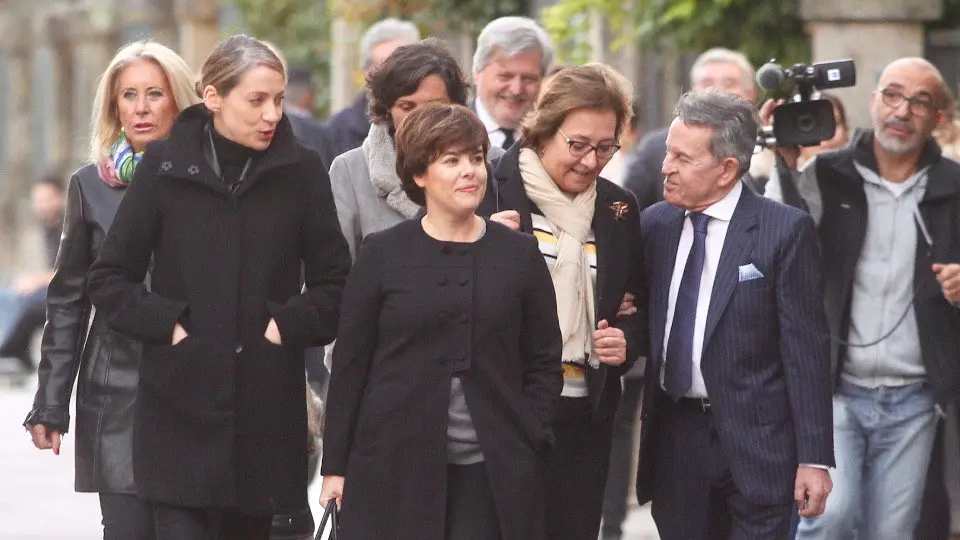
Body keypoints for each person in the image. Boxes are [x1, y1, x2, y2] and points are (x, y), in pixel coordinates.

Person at [86, 35, 351, 540]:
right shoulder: (163, 167)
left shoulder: (301, 171)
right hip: (178, 412)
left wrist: (284, 326)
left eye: (278, 99)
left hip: (265, 416)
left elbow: (335, 283)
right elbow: (110, 278)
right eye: (257, 100)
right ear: (213, 98)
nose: (272, 113)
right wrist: (169, 325)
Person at [319, 103, 563, 539]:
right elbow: (351, 365)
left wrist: (530, 430)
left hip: (493, 469)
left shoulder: (519, 254)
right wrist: (335, 467)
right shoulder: (381, 254)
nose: (470, 171)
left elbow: (544, 358)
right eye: (451, 161)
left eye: (475, 158)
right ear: (418, 174)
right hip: (393, 465)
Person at [766, 57, 960, 540]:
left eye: (920, 102)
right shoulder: (829, 174)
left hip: (915, 398)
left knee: (890, 533)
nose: (902, 110)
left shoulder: (953, 188)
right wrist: (784, 163)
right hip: (836, 391)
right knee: (830, 517)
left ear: (938, 117)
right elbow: (774, 242)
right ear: (873, 102)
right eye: (892, 95)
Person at [635, 90, 834, 539]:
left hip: (760, 444)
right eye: (669, 152)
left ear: (727, 169)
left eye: (683, 158)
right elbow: (639, 314)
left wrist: (814, 457)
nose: (666, 167)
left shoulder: (783, 230)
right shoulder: (654, 226)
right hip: (677, 439)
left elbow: (806, 348)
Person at [21, 41, 198, 539]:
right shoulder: (89, 186)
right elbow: (69, 300)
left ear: (179, 101)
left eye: (155, 94)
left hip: (193, 382)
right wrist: (51, 401)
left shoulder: (207, 178)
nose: (141, 109)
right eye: (129, 96)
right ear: (113, 107)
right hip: (116, 387)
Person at [483, 63, 644, 540]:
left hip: (585, 415)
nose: (591, 161)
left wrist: (626, 342)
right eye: (578, 145)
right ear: (543, 131)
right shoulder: (491, 191)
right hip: (506, 411)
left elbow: (637, 305)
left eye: (605, 147)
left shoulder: (618, 208)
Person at [330, 38, 475, 259]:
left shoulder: (488, 165)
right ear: (388, 109)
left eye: (433, 107)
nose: (419, 118)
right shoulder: (351, 170)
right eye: (407, 107)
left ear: (455, 106)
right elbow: (333, 275)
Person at [623, 47, 761, 207]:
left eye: (729, 83)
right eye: (707, 83)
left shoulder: (771, 148)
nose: (717, 90)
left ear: (751, 93)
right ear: (692, 92)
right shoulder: (654, 149)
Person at [319, 17, 420, 167]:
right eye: (383, 66)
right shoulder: (338, 130)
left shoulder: (442, 118)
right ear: (366, 72)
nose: (395, 74)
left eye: (405, 65)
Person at [0, 177, 64, 374]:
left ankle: (7, 351)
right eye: (38, 200)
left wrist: (36, 280)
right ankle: (17, 353)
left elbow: (70, 271)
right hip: (37, 290)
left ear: (59, 198)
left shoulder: (71, 227)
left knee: (28, 305)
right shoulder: (34, 231)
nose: (41, 205)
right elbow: (27, 268)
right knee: (7, 297)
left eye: (46, 199)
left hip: (62, 292)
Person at [471, 16, 555, 150]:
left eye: (529, 78)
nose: (516, 90)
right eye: (505, 76)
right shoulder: (446, 131)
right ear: (477, 73)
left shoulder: (555, 138)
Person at [763, 92, 849, 207]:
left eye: (832, 124)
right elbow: (771, 220)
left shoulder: (865, 175)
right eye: (808, 125)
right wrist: (785, 163)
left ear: (846, 130)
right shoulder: (792, 184)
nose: (825, 139)